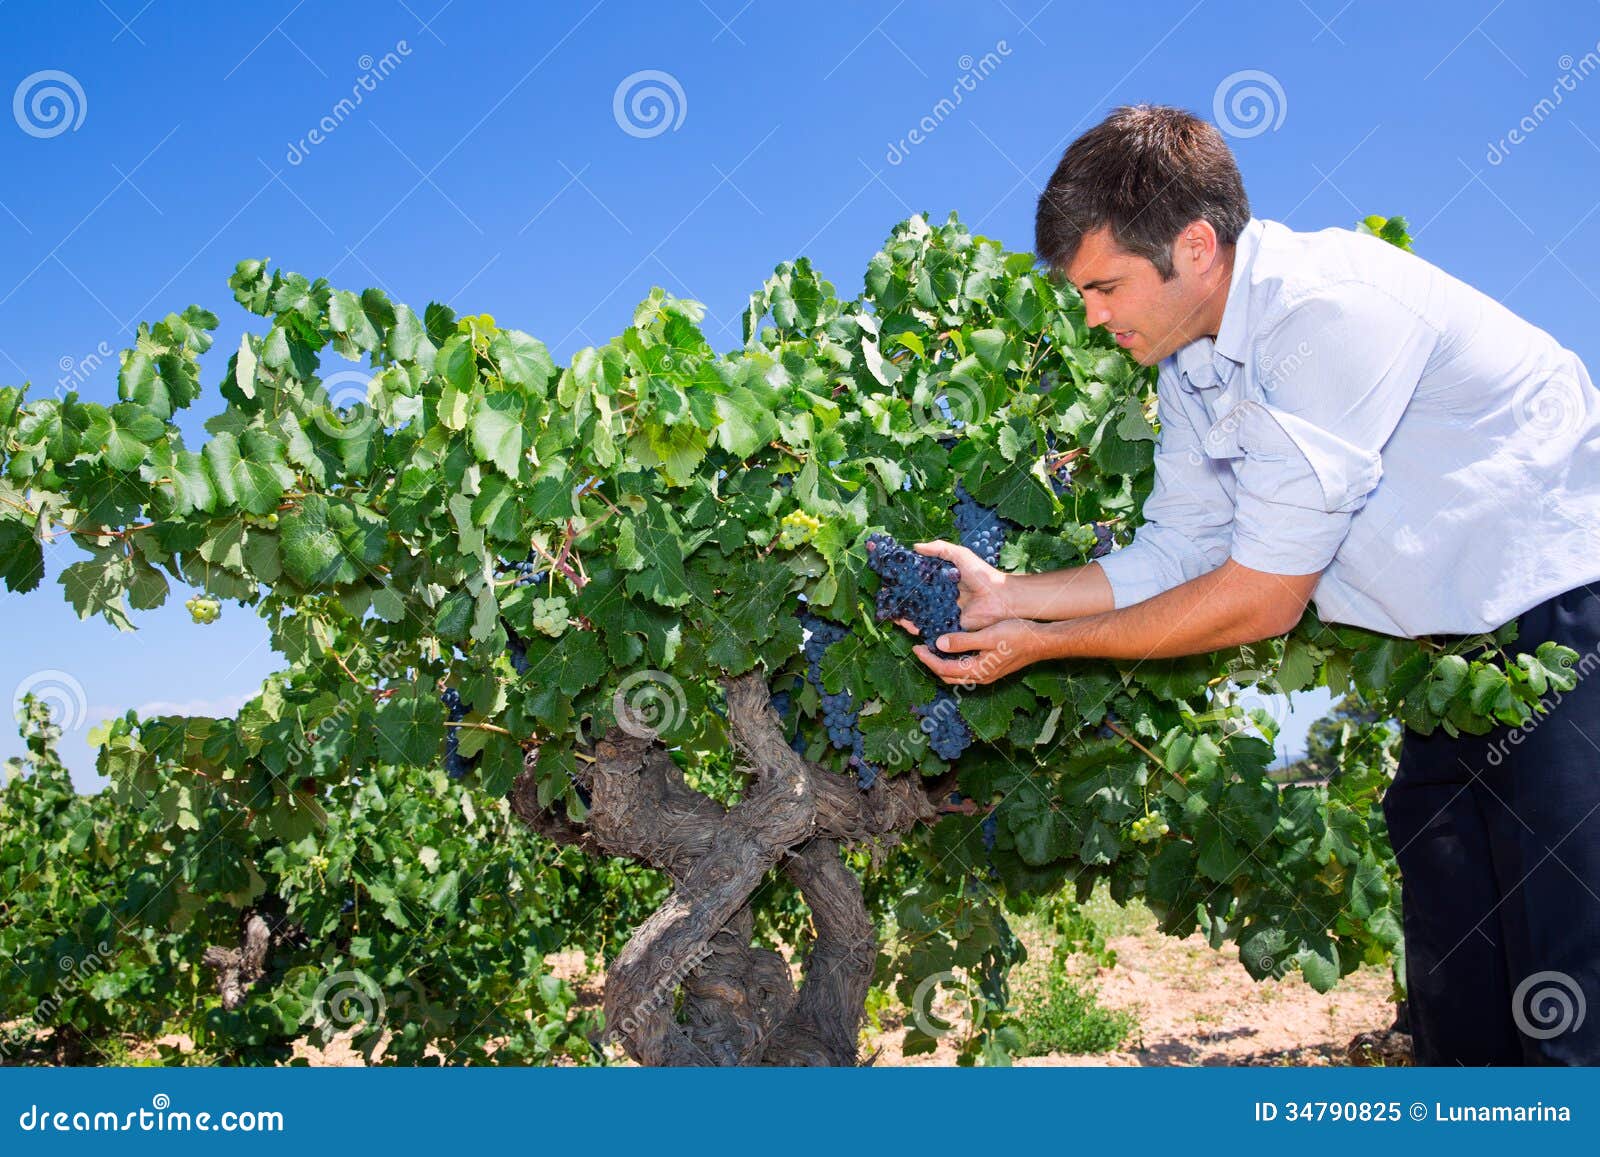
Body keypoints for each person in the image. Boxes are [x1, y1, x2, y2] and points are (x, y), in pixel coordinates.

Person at [902, 104, 1600, 1066]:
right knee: (1459, 983)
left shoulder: (1330, 312)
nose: (1094, 316)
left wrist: (1042, 646)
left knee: (1570, 979)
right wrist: (1009, 595)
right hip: (1452, 662)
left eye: (1105, 286)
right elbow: (1179, 550)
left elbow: (1260, 598)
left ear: (1194, 246)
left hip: (1570, 628)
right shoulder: (1192, 366)